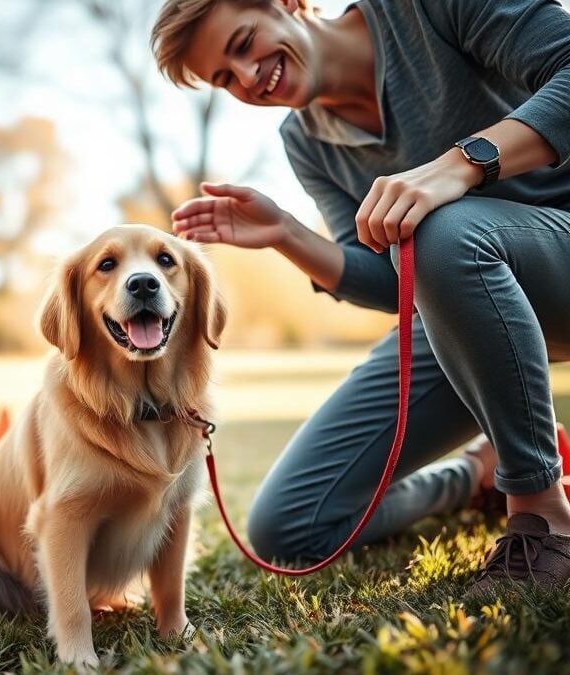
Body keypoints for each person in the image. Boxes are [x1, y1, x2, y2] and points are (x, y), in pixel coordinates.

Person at [150, 0, 570, 594]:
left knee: (438, 230)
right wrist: (288, 235)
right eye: (225, 78)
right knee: (288, 525)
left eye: (243, 43)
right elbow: (397, 279)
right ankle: (475, 477)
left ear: (288, 4)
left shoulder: (426, 11)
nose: (247, 78)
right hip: (470, 309)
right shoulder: (305, 141)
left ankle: (540, 514)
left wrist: (462, 165)